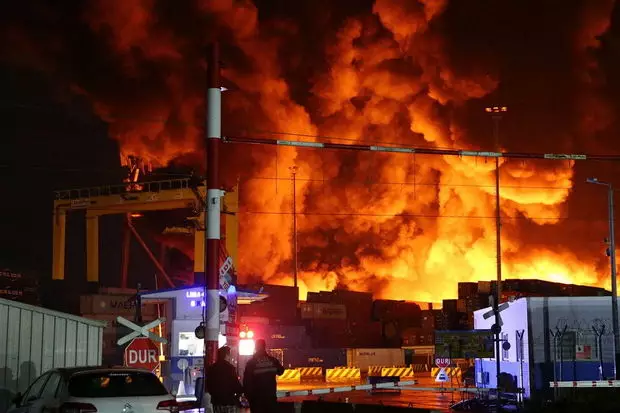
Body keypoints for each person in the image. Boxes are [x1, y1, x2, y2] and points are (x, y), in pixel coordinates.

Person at [243, 339, 284, 413]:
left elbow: (247, 382)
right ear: (265, 347)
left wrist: (248, 397)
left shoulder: (251, 363)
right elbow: (281, 371)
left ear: (255, 347)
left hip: (256, 400)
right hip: (271, 398)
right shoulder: (273, 361)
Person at [205, 346, 243, 413]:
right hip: (229, 401)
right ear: (226, 355)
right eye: (229, 355)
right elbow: (236, 386)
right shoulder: (230, 368)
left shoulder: (211, 368)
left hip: (216, 402)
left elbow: (208, 385)